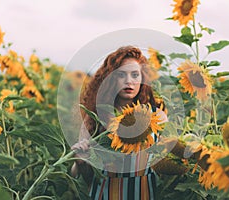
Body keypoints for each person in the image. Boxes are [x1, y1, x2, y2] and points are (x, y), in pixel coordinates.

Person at [71, 46, 167, 200]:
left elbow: (167, 163)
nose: (129, 81)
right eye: (121, 75)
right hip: (104, 194)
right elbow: (82, 176)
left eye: (135, 75)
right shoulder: (95, 118)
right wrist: (80, 162)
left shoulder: (157, 116)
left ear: (142, 79)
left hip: (143, 194)